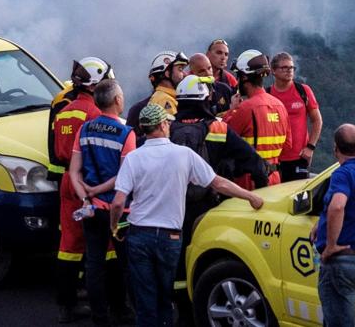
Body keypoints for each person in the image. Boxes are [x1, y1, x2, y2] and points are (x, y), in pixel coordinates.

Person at [109, 103, 265, 327]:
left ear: (143, 129)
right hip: (170, 237)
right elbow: (218, 183)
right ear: (164, 125)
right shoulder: (184, 155)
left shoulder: (134, 158)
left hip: (139, 234)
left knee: (145, 298)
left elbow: (117, 202)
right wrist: (250, 197)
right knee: (165, 296)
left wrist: (114, 227)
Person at [168, 74, 268, 290]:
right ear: (205, 99)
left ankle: (177, 310)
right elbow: (256, 164)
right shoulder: (218, 129)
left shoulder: (166, 130)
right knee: (206, 256)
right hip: (209, 208)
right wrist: (262, 194)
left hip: (170, 209)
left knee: (174, 261)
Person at [53, 57, 115, 323]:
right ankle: (113, 305)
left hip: (68, 179)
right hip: (91, 183)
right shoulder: (95, 114)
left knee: (69, 244)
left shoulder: (64, 110)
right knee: (107, 245)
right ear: (95, 84)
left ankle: (66, 306)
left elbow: (58, 151)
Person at [69, 79, 136, 326]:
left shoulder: (84, 129)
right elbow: (124, 175)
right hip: (120, 211)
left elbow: (74, 171)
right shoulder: (126, 133)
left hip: (92, 208)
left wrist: (86, 196)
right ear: (117, 101)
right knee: (127, 264)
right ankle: (127, 311)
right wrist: (100, 189)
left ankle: (100, 317)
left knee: (94, 264)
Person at [310, 124, 355, 327]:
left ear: (335, 148)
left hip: (341, 261)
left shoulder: (342, 174)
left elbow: (338, 206)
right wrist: (321, 221)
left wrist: (331, 245)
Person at [224, 49, 289, 187]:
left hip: (249, 180)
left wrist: (231, 110)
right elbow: (288, 145)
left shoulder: (246, 108)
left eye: (238, 76)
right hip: (275, 178)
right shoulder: (280, 106)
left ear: (245, 78)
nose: (237, 81)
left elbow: (223, 136)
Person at [47, 58, 112, 179]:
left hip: (68, 177)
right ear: (92, 86)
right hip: (83, 177)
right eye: (106, 83)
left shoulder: (67, 104)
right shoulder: (91, 112)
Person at [267, 52, 323, 181]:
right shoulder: (267, 94)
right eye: (284, 67)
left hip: (299, 157)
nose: (289, 70)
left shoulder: (303, 91)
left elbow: (317, 120)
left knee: (299, 199)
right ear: (273, 71)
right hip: (274, 159)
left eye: (291, 67)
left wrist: (310, 147)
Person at [125, 51, 187, 139]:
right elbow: (172, 136)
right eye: (180, 69)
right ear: (167, 73)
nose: (185, 74)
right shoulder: (164, 100)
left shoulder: (167, 97)